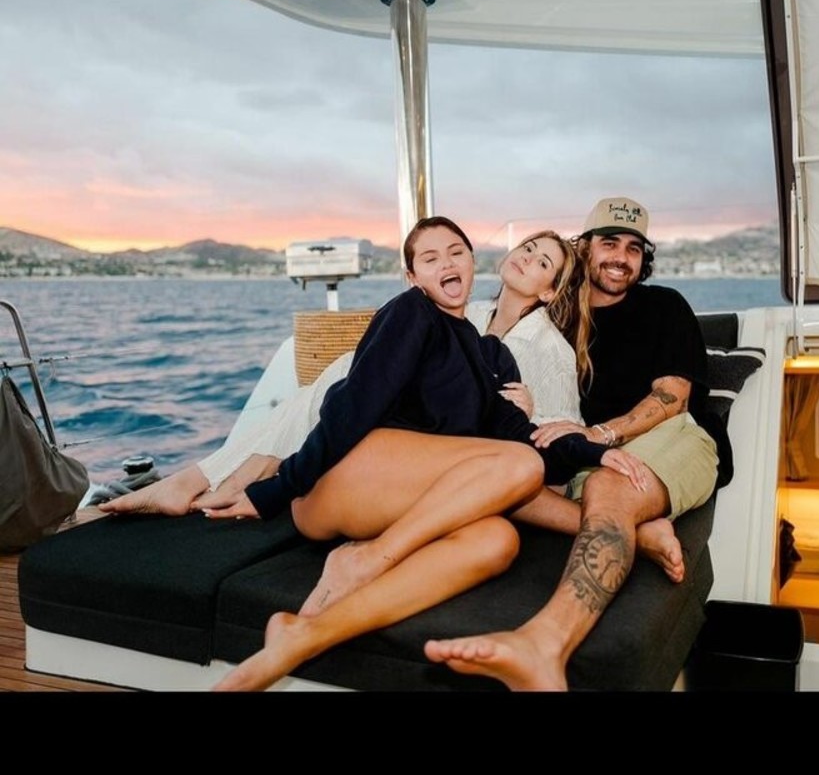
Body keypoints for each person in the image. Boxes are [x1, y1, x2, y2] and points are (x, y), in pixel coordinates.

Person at [210, 216, 651, 691]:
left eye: (456, 252)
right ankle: (368, 559)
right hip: (337, 483)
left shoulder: (492, 356)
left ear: (472, 263)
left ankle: (305, 635)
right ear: (412, 276)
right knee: (518, 465)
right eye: (430, 257)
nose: (447, 263)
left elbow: (523, 436)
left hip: (392, 502)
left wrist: (594, 451)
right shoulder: (412, 312)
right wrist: (273, 491)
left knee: (497, 540)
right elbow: (352, 408)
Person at [424, 195, 719, 691]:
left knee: (608, 486)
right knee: (498, 480)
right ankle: (640, 533)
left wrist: (600, 435)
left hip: (671, 436)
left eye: (633, 249)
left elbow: (673, 396)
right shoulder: (558, 317)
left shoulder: (664, 305)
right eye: (609, 243)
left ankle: (545, 644)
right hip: (582, 454)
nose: (621, 258)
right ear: (585, 248)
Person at [100, 228, 586, 518]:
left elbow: (561, 432)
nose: (527, 257)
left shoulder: (552, 351)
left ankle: (230, 476)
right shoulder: (469, 313)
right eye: (527, 247)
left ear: (550, 290)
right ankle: (225, 475)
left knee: (346, 388)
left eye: (542, 261)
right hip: (412, 433)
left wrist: (534, 411)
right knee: (341, 379)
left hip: (457, 459)